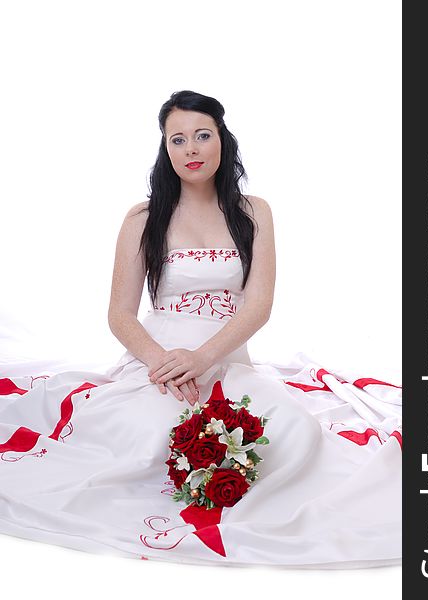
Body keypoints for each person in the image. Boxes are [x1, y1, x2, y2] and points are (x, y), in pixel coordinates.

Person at [0, 90, 402, 568]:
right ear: (165, 150)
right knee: (152, 438)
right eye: (178, 139)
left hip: (225, 356)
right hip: (160, 359)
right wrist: (165, 364)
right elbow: (120, 315)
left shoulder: (254, 212)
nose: (190, 149)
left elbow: (258, 306)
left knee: (295, 432)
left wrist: (203, 357)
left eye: (202, 136)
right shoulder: (143, 218)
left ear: (222, 141)